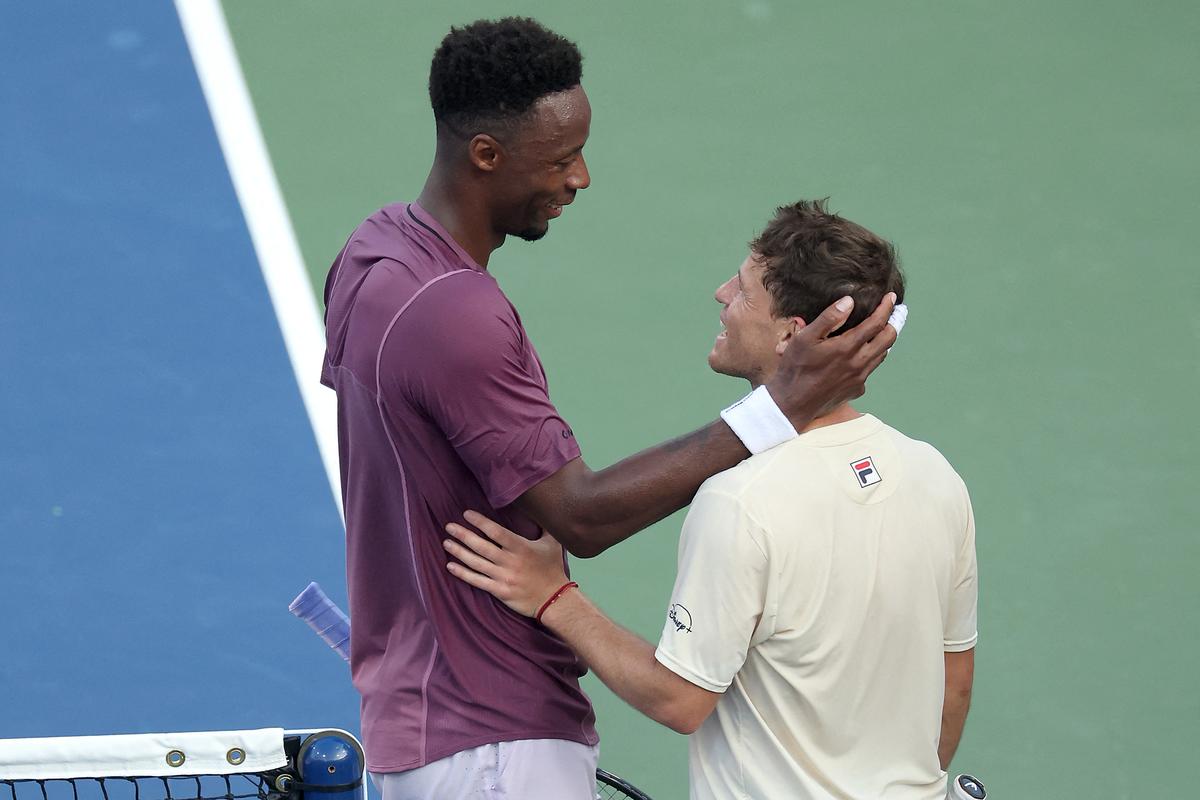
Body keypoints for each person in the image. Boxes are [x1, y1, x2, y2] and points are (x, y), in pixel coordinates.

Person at [321, 16, 899, 800]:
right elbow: (582, 517)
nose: (580, 177)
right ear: (486, 155)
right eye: (560, 158)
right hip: (492, 741)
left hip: (429, 723)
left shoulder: (372, 254)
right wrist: (781, 404)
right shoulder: (456, 314)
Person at [444, 200, 977, 799]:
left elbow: (680, 697)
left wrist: (555, 598)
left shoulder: (741, 500)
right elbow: (953, 681)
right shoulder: (937, 477)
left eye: (746, 291)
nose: (721, 294)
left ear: (794, 335)